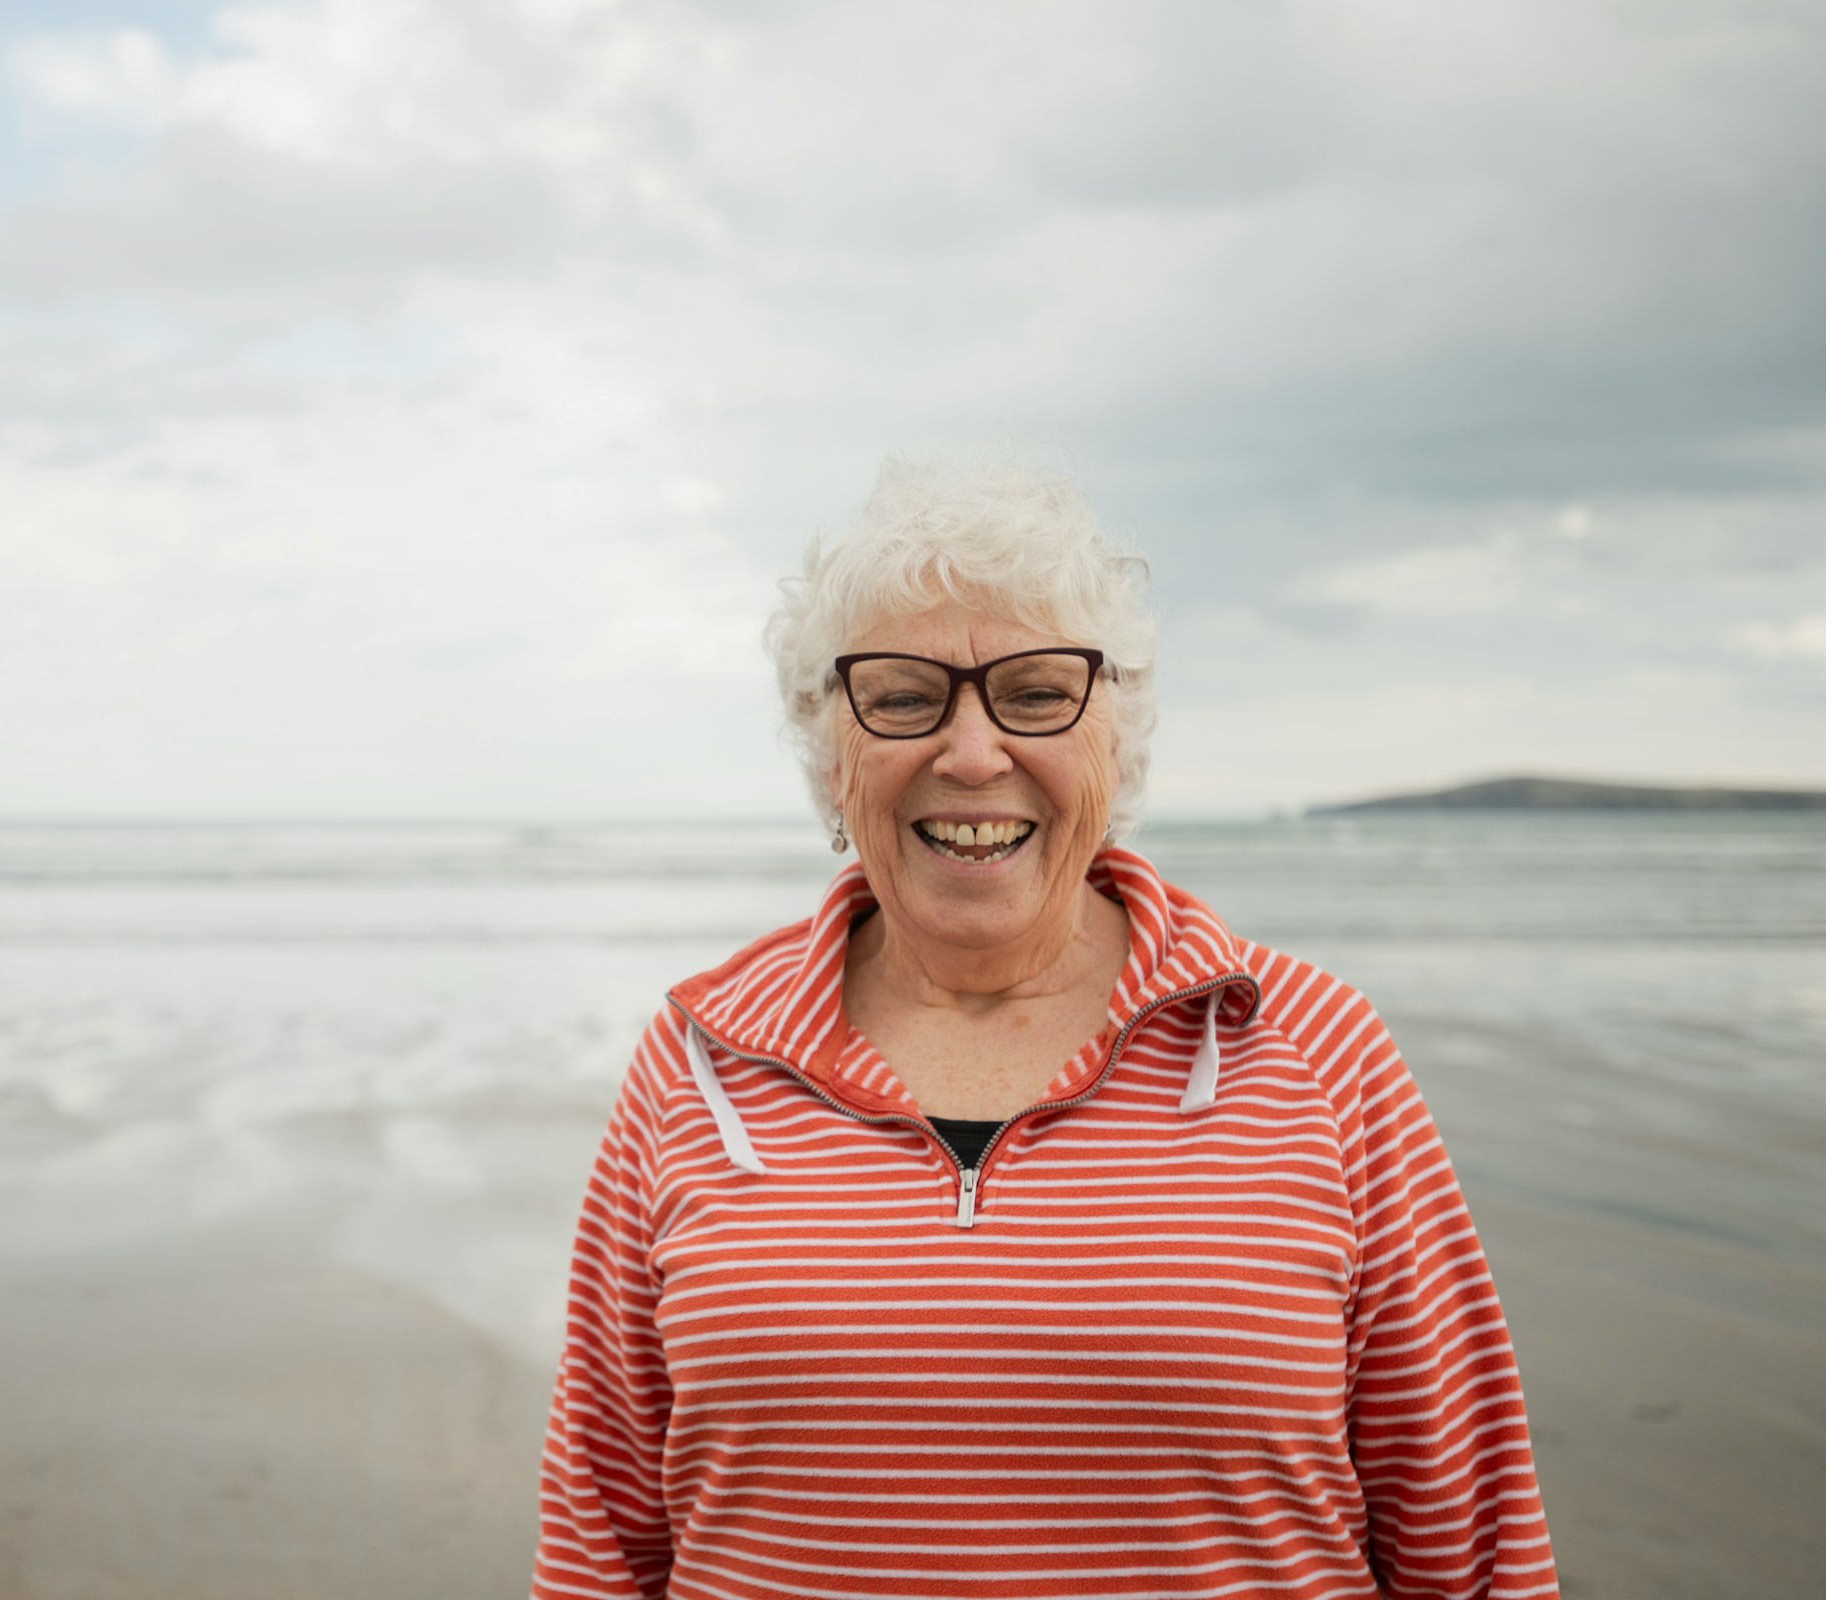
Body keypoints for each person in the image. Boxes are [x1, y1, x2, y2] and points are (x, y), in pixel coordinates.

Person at [530, 455, 1557, 1599]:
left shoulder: (1315, 1050)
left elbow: (1471, 1543)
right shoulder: (699, 1060)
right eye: (907, 695)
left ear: (1114, 738)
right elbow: (599, 1544)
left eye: (1033, 694)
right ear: (831, 750)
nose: (973, 755)